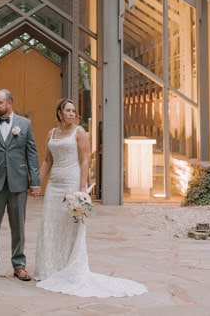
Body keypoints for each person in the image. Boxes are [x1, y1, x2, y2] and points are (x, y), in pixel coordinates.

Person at [34, 98, 147, 299]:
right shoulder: (51, 133)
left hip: (72, 181)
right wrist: (36, 183)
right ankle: (49, 269)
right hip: (54, 186)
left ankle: (70, 268)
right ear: (59, 112)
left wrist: (81, 190)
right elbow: (47, 161)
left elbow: (85, 160)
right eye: (67, 110)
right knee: (50, 226)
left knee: (71, 227)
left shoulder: (79, 132)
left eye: (73, 110)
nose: (71, 113)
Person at [0, 88, 41, 281]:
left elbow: (32, 154)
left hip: (18, 184)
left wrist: (34, 182)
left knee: (18, 227)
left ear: (9, 103)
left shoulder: (25, 125)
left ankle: (19, 266)